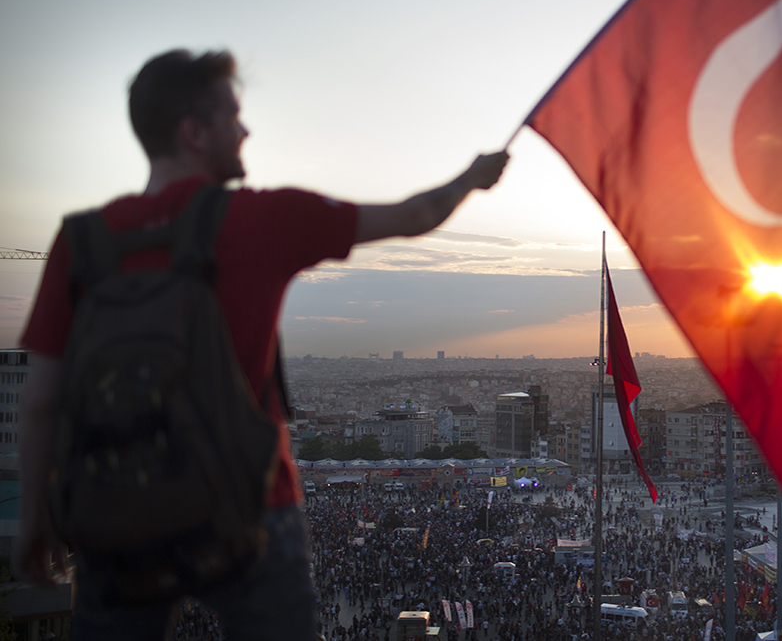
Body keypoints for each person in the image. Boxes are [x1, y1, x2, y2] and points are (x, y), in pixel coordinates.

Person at [15, 48, 509, 640]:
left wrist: (33, 516)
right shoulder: (264, 219)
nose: (245, 128)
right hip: (251, 507)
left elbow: (41, 402)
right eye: (232, 114)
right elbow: (416, 213)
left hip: (119, 507)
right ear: (193, 131)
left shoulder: (82, 242)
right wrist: (473, 177)